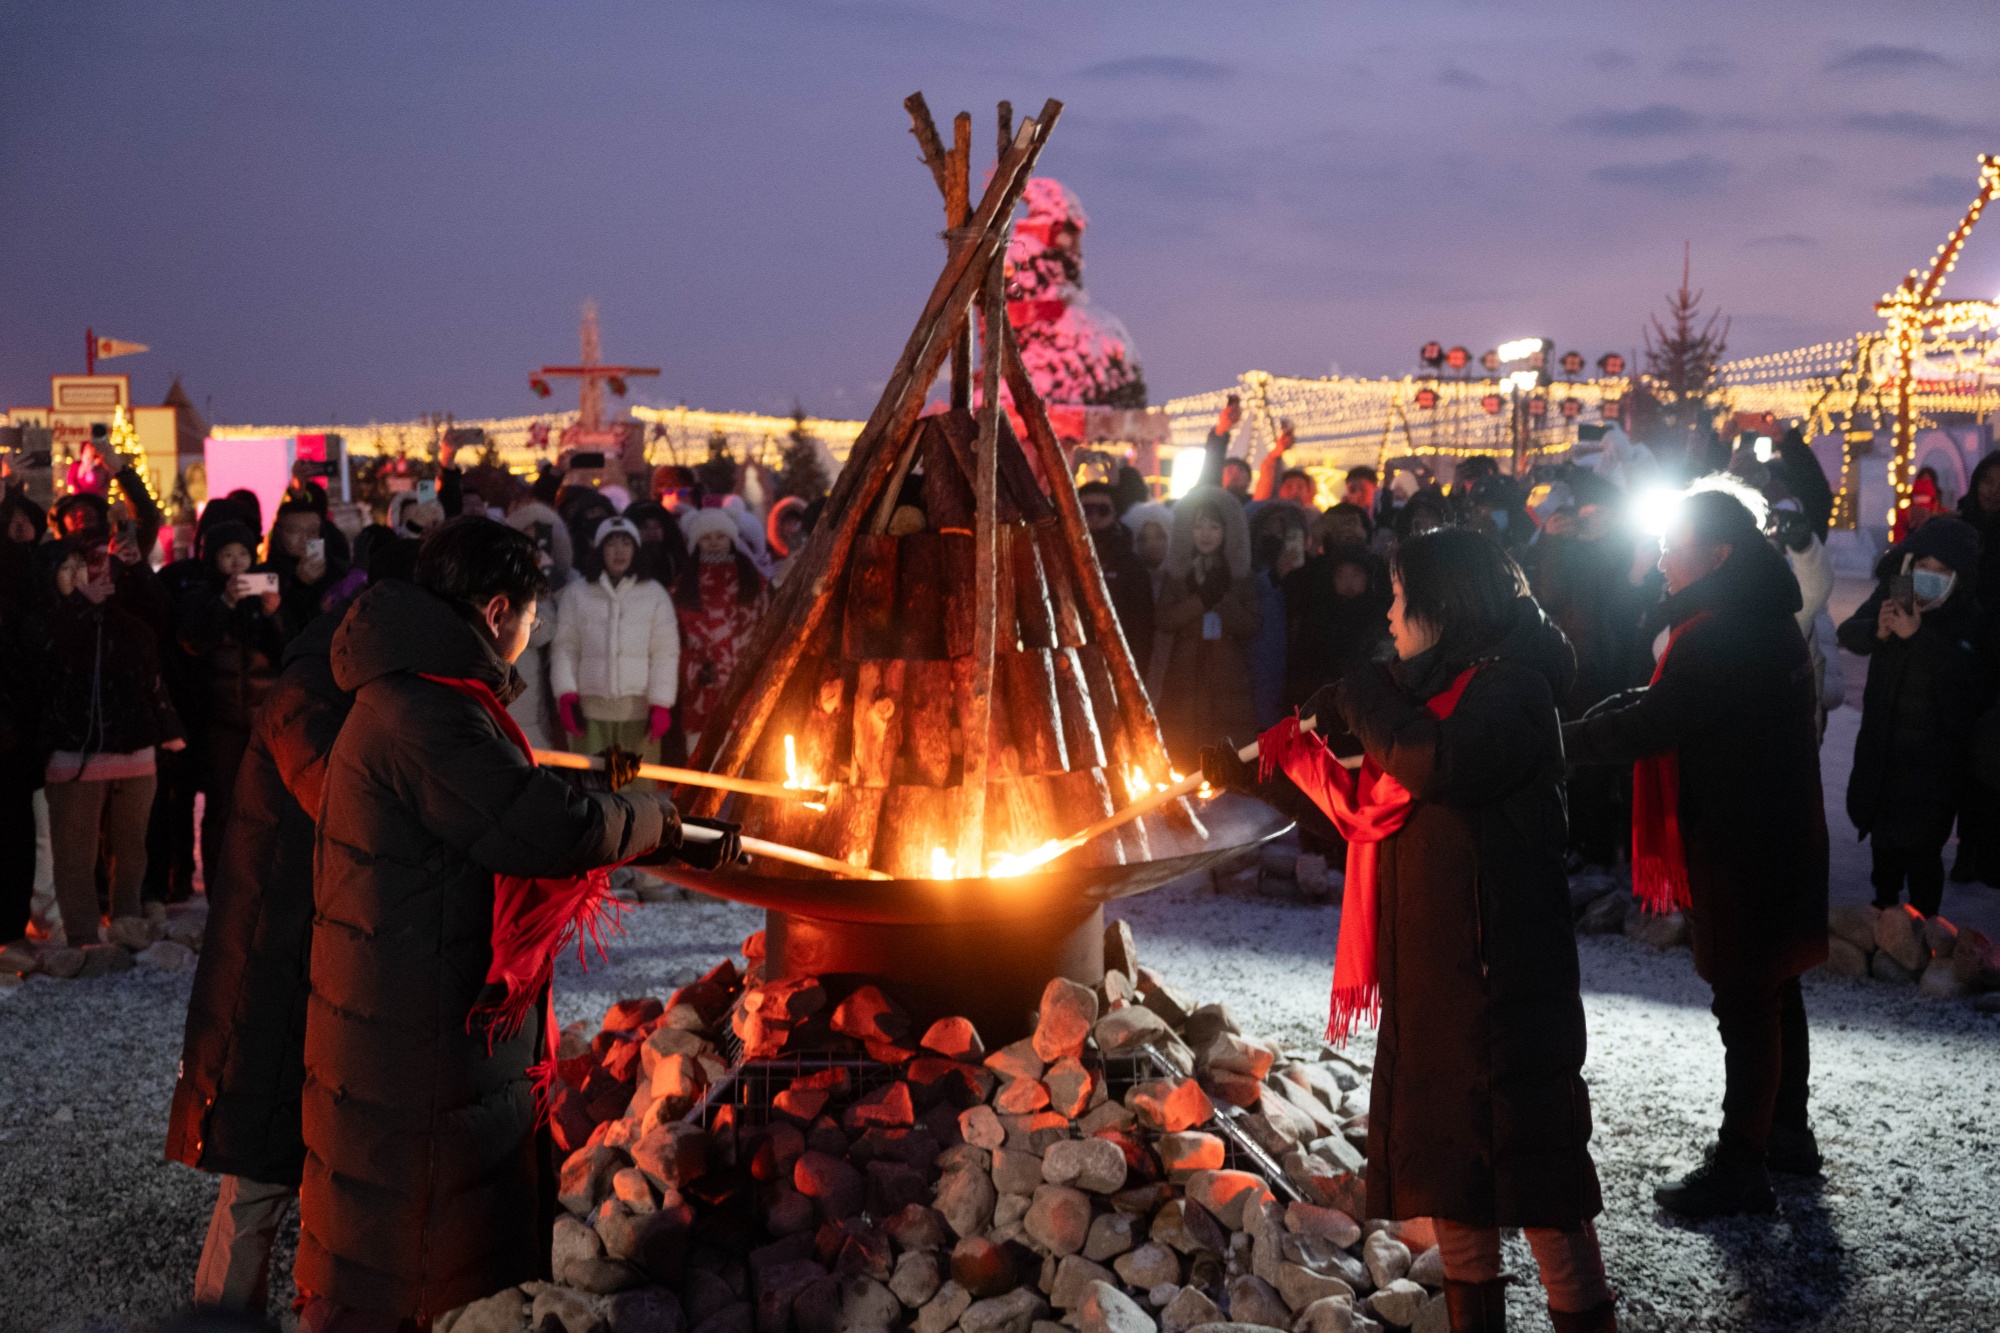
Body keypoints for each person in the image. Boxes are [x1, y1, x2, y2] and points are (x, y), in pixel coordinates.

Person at [297, 517, 731, 1326]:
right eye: (531, 617)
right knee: (430, 1261)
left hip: (412, 1009)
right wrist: (658, 821)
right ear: (498, 610)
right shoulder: (427, 712)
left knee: (406, 1244)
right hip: (418, 1032)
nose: (532, 633)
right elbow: (543, 826)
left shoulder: (413, 689)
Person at [1206, 527, 1614, 1333]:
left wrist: (1361, 694)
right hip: (1435, 988)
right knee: (1453, 1185)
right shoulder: (1434, 695)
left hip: (1505, 992)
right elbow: (1366, 807)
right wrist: (1260, 767)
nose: (1389, 614)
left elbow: (1434, 763)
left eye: (1400, 597)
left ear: (1444, 602)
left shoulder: (1512, 693)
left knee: (1542, 1194)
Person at [1564, 480, 1828, 1218]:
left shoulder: (1720, 631)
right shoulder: (1756, 616)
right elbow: (1657, 704)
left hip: (1744, 845)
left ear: (1717, 554)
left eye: (1670, 550)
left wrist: (1554, 743)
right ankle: (1786, 1132)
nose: (1658, 563)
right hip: (1778, 836)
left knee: (1746, 998)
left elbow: (1652, 723)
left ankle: (1743, 1163)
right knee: (1776, 988)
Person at [167, 581, 358, 1316]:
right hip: (273, 969)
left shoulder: (318, 689)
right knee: (259, 1171)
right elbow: (354, 812)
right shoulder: (309, 704)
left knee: (273, 1172)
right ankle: (224, 1312)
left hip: (285, 960)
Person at [26, 540, 186, 949]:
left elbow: (153, 669)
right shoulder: (41, 620)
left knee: (132, 849)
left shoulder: (126, 620)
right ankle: (83, 937)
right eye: (70, 569)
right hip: (73, 752)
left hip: (134, 748)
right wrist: (79, 608)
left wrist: (168, 728)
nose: (83, 578)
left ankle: (127, 925)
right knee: (75, 853)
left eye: (89, 568)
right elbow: (42, 661)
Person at [1837, 517, 1993, 916]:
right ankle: (1882, 911)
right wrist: (1878, 630)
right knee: (1884, 846)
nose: (1932, 577)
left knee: (1923, 851)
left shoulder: (1971, 616)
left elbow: (1972, 680)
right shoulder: (1898, 593)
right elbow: (1849, 633)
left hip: (1935, 762)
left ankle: (1926, 927)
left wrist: (1918, 638)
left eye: (1944, 571)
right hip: (1883, 750)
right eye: (1926, 566)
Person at [179, 522, 297, 885]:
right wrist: (225, 603)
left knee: (270, 804)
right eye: (226, 555)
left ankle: (268, 883)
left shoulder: (268, 593)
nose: (235, 563)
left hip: (266, 719)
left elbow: (290, 651)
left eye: (242, 555)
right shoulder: (202, 597)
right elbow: (194, 643)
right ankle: (221, 886)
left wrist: (274, 613)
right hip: (220, 719)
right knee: (223, 807)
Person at [550, 516, 681, 770]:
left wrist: (661, 703)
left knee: (637, 792)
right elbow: (565, 648)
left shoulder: (654, 594)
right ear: (600, 550)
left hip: (638, 713)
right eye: (611, 544)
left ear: (635, 550)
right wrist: (566, 695)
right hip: (590, 714)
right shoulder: (577, 593)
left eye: (626, 543)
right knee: (594, 788)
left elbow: (665, 653)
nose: (619, 551)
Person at [1149, 486, 1260, 767]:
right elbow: (1163, 619)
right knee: (1182, 737)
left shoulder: (1240, 576)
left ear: (1227, 531)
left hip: (1228, 670)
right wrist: (1200, 600)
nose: (1205, 534)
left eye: (1213, 526)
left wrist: (1221, 600)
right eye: (1198, 526)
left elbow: (1251, 624)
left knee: (1226, 735)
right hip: (1184, 669)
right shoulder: (1177, 574)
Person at [673, 508, 769, 752]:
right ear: (696, 543)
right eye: (707, 538)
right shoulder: (682, 586)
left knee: (739, 760)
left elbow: (766, 632)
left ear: (731, 539)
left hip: (744, 688)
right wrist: (693, 669)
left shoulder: (754, 583)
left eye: (720, 536)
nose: (714, 543)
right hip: (700, 694)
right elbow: (674, 642)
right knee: (700, 765)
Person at [1080, 481, 1155, 676]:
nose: (1094, 516)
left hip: (1118, 662)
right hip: (1073, 661)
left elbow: (1142, 625)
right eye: (1086, 509)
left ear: (1115, 513)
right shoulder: (1062, 557)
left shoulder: (1131, 564)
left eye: (1102, 510)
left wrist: (1137, 670)